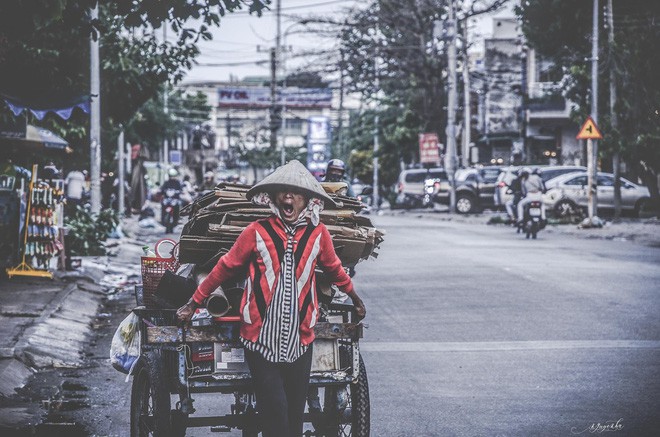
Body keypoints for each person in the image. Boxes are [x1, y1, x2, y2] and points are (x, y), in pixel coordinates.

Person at [176, 160, 366, 437]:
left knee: (293, 416)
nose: (289, 197)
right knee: (275, 411)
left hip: (301, 340)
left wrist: (355, 298)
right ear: (274, 197)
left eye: (296, 192)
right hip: (259, 338)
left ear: (307, 200)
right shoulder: (256, 232)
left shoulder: (318, 234)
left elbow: (335, 270)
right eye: (283, 191)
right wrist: (193, 303)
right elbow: (224, 267)